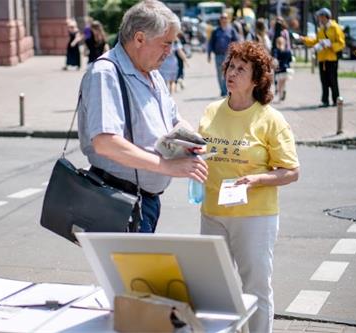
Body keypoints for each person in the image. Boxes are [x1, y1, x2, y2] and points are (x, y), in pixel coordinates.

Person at [77, 0, 208, 233]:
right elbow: (106, 143)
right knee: (131, 271)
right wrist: (167, 166)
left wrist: (192, 140)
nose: (170, 52)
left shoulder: (152, 73)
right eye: (166, 44)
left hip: (142, 200)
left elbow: (174, 119)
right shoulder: (106, 73)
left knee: (133, 270)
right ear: (139, 39)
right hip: (116, 199)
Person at [197, 41, 300, 333]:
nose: (232, 72)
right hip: (212, 212)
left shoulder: (270, 119)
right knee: (214, 287)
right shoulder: (211, 111)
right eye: (231, 65)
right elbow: (200, 151)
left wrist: (257, 179)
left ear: (257, 80)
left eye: (242, 68)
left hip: (254, 216)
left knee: (255, 287)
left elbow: (291, 171)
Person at [300, 8, 345, 108]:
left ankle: (335, 99)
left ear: (325, 16)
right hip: (322, 58)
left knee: (333, 80)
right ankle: (325, 100)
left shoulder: (335, 27)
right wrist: (305, 40)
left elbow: (341, 43)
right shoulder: (321, 28)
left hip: (331, 58)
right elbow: (316, 41)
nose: (319, 19)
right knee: (324, 80)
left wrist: (331, 45)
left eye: (320, 16)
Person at [207, 13, 239, 97]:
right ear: (220, 20)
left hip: (228, 56)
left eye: (225, 18)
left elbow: (236, 42)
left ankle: (225, 91)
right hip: (218, 55)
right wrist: (209, 54)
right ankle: (222, 90)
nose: (224, 19)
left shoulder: (231, 30)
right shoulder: (215, 31)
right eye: (222, 18)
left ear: (227, 19)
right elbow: (210, 43)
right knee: (219, 73)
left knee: (227, 73)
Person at [273, 36, 293, 102]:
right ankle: (284, 91)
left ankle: (280, 96)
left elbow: (275, 59)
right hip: (286, 69)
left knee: (279, 84)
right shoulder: (288, 51)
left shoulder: (276, 51)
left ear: (277, 43)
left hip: (279, 69)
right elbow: (290, 60)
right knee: (283, 83)